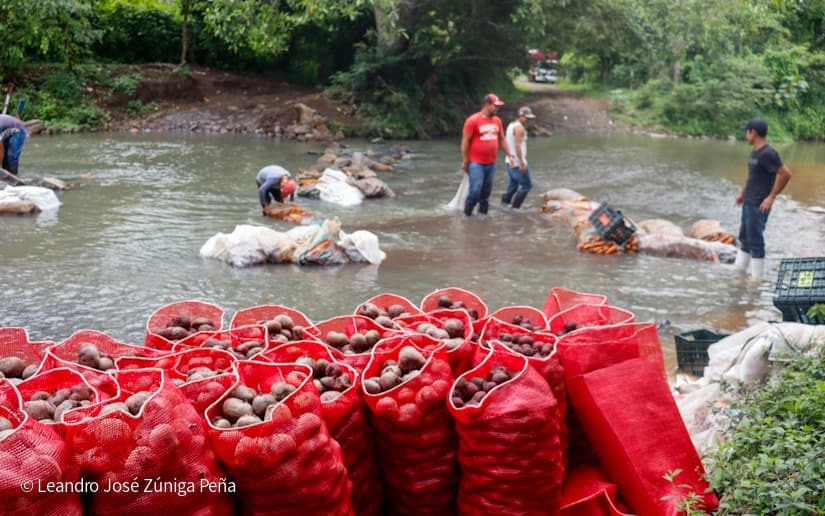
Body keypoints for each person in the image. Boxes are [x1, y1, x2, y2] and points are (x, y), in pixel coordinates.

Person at [733, 117, 792, 279]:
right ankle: (739, 269)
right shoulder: (756, 152)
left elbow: (786, 174)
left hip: (759, 204)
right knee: (745, 237)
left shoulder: (768, 153)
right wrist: (742, 193)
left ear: (754, 133)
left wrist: (771, 197)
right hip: (748, 201)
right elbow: (752, 175)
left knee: (755, 241)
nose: (746, 135)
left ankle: (757, 279)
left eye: (747, 132)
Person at [460, 93, 514, 217]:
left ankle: (482, 218)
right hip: (476, 163)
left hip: (491, 163)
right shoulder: (472, 120)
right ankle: (466, 216)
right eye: (495, 106)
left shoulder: (497, 121)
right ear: (486, 105)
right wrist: (465, 161)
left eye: (498, 106)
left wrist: (510, 155)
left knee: (485, 194)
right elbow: (465, 142)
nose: (497, 109)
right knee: (475, 191)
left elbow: (502, 139)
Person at [501, 106, 536, 209]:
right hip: (517, 162)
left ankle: (503, 205)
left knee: (513, 187)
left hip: (509, 161)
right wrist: (521, 162)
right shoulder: (519, 128)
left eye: (529, 118)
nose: (528, 120)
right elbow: (517, 145)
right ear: (520, 116)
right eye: (526, 117)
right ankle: (515, 208)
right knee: (527, 185)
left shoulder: (511, 125)